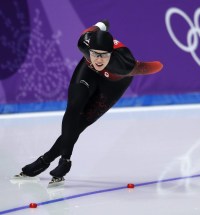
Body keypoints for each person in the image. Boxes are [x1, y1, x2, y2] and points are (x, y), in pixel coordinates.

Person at [14, 20, 163, 186]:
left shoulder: (124, 63)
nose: (99, 60)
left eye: (103, 55)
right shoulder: (83, 42)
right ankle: (65, 160)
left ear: (111, 54)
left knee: (80, 124)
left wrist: (161, 64)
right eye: (95, 54)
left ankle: (45, 160)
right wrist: (102, 24)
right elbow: (94, 28)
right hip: (88, 72)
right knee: (74, 107)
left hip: (113, 84)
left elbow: (152, 67)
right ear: (88, 49)